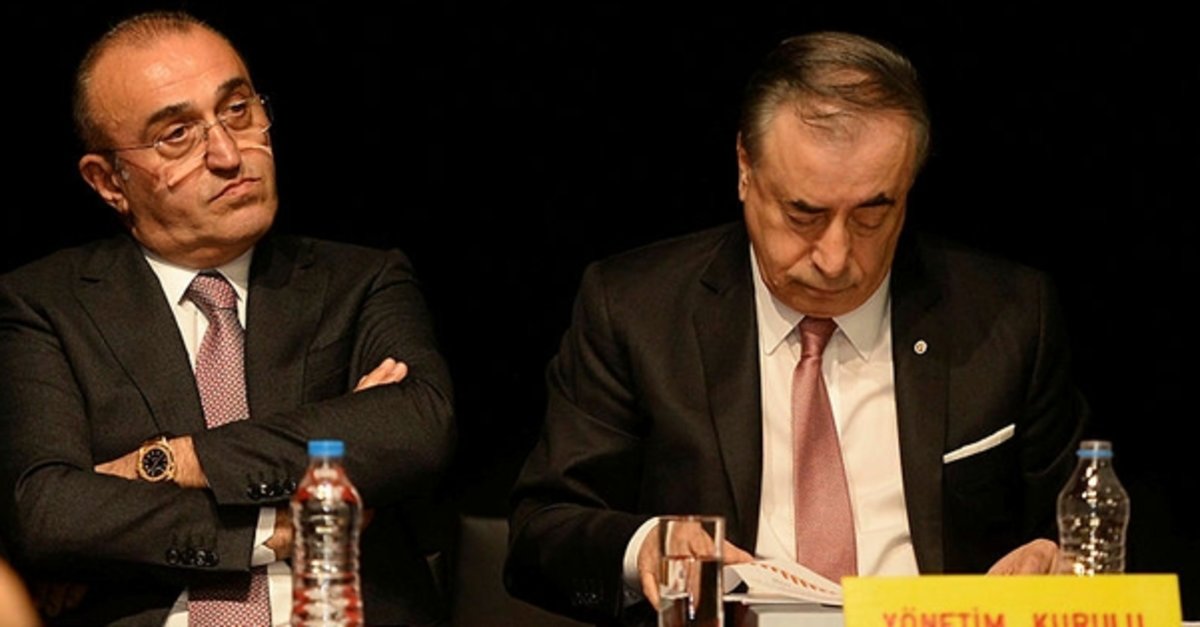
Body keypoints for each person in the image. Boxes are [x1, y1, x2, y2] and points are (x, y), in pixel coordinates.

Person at [505, 31, 1086, 625]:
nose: (835, 258)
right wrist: (644, 551)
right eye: (803, 214)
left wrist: (1059, 559)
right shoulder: (637, 311)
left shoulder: (1009, 315)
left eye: (872, 214)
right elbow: (539, 537)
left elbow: (1083, 529)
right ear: (744, 170)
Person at [0, 11, 454, 626]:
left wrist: (170, 462)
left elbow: (415, 427)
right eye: (176, 135)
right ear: (108, 181)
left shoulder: (359, 279)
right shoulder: (43, 304)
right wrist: (271, 530)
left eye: (238, 110)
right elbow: (48, 512)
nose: (228, 153)